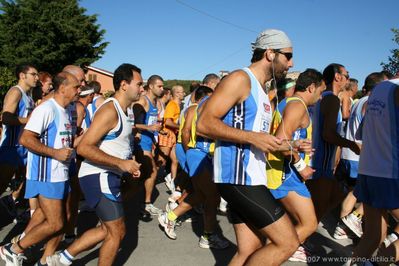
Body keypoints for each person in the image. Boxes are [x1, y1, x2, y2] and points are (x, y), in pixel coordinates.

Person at [197, 29, 301, 265]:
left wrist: (291, 145)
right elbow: (203, 123)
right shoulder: (240, 79)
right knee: (288, 242)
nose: (291, 63)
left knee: (250, 249)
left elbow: (259, 140)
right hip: (238, 179)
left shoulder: (262, 90)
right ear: (270, 53)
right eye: (287, 56)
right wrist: (252, 137)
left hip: (251, 177)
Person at [56, 63, 143, 266]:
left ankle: (60, 259)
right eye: (139, 84)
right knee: (117, 232)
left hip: (108, 176)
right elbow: (84, 147)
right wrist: (121, 163)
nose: (142, 89)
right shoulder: (110, 110)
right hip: (98, 175)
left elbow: (115, 145)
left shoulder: (123, 111)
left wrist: (128, 164)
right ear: (123, 85)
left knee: (107, 229)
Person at [0, 71, 80, 266]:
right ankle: (13, 249)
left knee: (50, 218)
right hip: (46, 173)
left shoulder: (68, 110)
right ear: (62, 88)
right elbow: (25, 139)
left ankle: (36, 255)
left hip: (61, 172)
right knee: (56, 223)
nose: (79, 90)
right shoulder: (46, 109)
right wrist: (55, 153)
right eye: (76, 86)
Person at [267, 68, 325, 262]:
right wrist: (302, 166)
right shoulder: (297, 106)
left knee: (294, 224)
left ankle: (279, 250)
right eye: (321, 91)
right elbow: (280, 141)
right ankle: (272, 256)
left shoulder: (290, 103)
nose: (321, 97)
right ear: (311, 87)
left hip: (285, 171)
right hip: (284, 173)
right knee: (308, 224)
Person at [349, 78, 399, 265]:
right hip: (390, 172)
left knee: (373, 237)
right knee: (373, 236)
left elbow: (361, 132)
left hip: (369, 169)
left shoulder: (380, 88)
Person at [333, 72, 386, 240]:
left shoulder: (358, 101)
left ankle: (342, 227)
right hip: (359, 154)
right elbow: (369, 129)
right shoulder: (370, 103)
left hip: (350, 153)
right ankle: (344, 226)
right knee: (364, 192)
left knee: (354, 191)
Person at [307, 63, 360, 222]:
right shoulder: (331, 99)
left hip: (322, 162)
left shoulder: (325, 97)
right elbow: (328, 134)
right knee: (317, 209)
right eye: (347, 75)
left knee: (336, 196)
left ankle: (301, 238)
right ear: (337, 77)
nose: (348, 79)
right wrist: (352, 145)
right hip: (320, 163)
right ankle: (297, 241)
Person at [0, 64, 37, 195]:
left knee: (21, 184)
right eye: (33, 74)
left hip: (23, 146)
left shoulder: (29, 96)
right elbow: (5, 118)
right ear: (22, 75)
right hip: (11, 146)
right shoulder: (15, 92)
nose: (37, 78)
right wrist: (29, 120)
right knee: (2, 184)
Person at [133, 75, 164, 217]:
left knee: (143, 174)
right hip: (140, 143)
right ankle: (145, 204)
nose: (162, 89)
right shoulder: (142, 101)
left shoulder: (155, 101)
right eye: (159, 86)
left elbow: (151, 124)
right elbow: (132, 124)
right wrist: (149, 127)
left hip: (149, 142)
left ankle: (140, 204)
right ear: (150, 86)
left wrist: (156, 133)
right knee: (152, 172)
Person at [160, 85, 185, 193]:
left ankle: (173, 181)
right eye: (182, 92)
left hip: (173, 135)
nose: (184, 94)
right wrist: (182, 127)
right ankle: (147, 178)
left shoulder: (177, 105)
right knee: (162, 161)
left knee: (176, 160)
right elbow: (168, 122)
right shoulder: (172, 105)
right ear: (177, 93)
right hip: (167, 134)